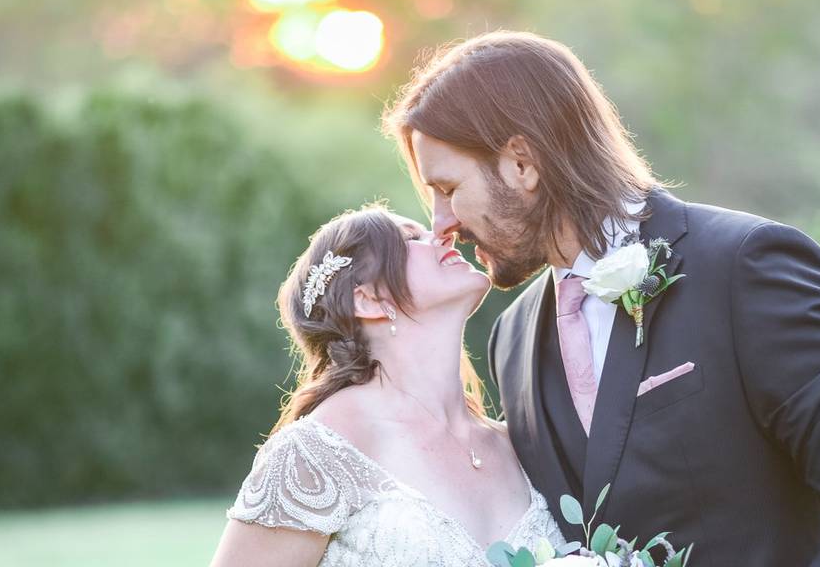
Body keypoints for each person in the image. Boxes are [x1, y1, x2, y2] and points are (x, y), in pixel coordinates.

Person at [381, 30, 820, 565]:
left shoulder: (747, 266)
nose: (441, 225)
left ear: (522, 163)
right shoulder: (511, 342)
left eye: (446, 190)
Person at [209, 204, 564, 566]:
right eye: (412, 239)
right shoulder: (318, 451)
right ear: (369, 299)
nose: (444, 235)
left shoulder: (517, 443)